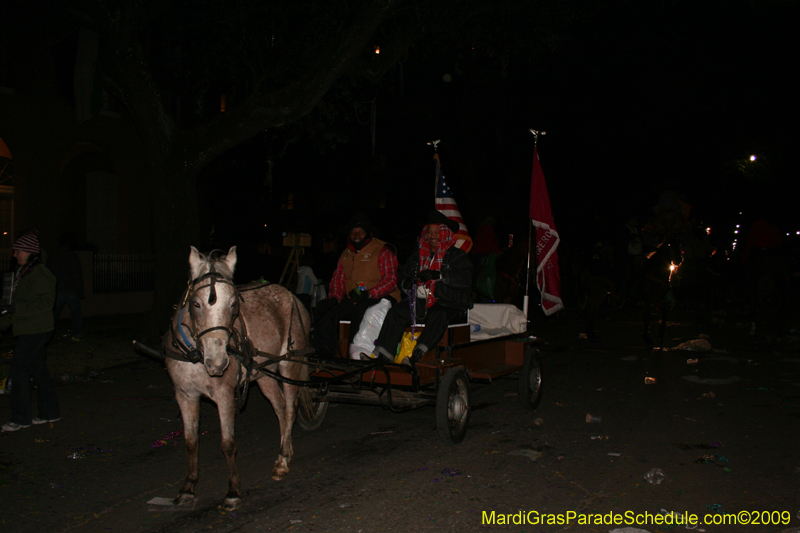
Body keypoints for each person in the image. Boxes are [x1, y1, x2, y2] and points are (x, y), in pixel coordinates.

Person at [366, 210, 472, 366]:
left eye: (437, 232)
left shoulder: (457, 255)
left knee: (439, 314)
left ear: (444, 234)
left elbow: (466, 280)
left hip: (450, 302)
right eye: (429, 232)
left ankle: (417, 355)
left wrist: (439, 275)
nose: (432, 236)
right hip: (422, 302)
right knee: (396, 312)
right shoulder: (418, 256)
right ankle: (382, 355)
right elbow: (402, 277)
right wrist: (406, 283)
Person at [311, 213, 401, 358]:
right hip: (354, 297)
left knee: (360, 310)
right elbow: (338, 280)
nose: (356, 235)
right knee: (324, 309)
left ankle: (354, 356)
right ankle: (325, 352)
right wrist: (334, 298)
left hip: (379, 297)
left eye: (360, 232)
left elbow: (391, 281)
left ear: (368, 234)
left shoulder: (382, 251)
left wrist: (370, 293)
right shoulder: (345, 254)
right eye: (353, 232)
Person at [0, 230, 61, 432]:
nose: (15, 254)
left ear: (29, 252)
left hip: (37, 329)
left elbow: (45, 303)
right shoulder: (22, 273)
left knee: (18, 370)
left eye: (19, 251)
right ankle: (49, 412)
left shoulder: (40, 273)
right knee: (38, 371)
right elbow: (14, 306)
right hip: (28, 327)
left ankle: (20, 418)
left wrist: (17, 309)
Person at [48, 232, 85, 341]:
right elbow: (77, 274)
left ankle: (48, 334)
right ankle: (78, 332)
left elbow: (49, 272)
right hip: (70, 288)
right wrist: (80, 291)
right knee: (76, 312)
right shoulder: (72, 256)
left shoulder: (54, 255)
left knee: (55, 313)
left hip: (59, 288)